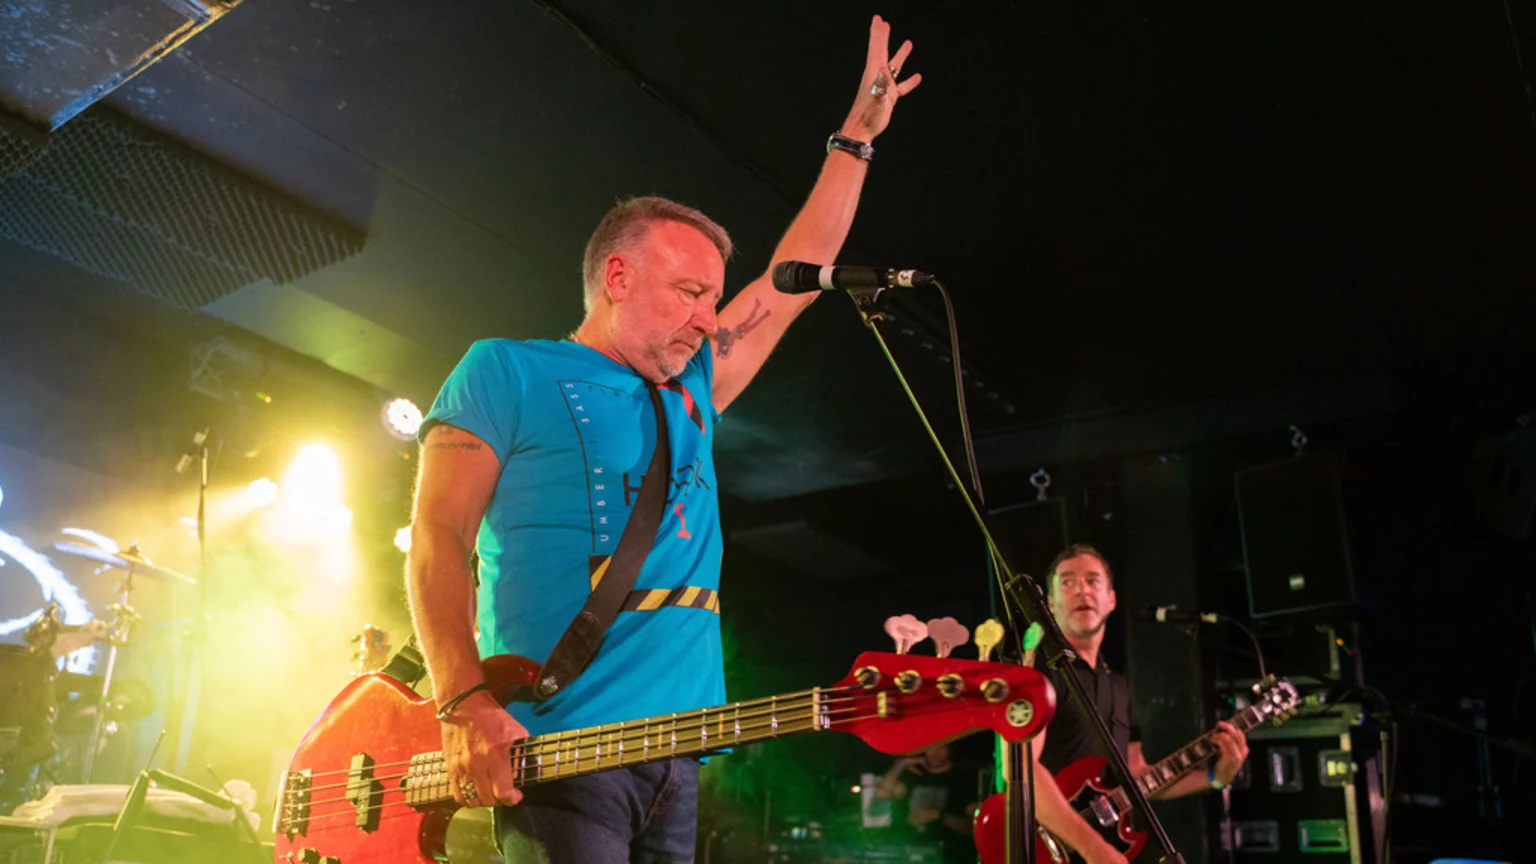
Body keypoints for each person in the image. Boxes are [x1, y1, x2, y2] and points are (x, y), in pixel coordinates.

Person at [404, 15, 922, 864]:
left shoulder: (692, 387)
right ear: (616, 277)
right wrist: (462, 704)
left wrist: (854, 143)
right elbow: (438, 536)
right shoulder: (504, 371)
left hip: (674, 758)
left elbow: (793, 280)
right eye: (688, 291)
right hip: (554, 753)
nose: (706, 317)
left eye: (712, 298)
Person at [1030, 544, 1250, 864]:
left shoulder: (1117, 686)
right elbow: (1022, 772)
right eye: (1067, 582)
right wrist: (1093, 847)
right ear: (1050, 604)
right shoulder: (1038, 673)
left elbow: (1139, 779)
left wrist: (1215, 777)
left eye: (1093, 581)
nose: (1082, 590)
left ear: (1111, 600)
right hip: (1046, 848)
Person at [874, 743, 981, 864]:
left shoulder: (962, 778)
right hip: (907, 852)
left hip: (949, 855)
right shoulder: (913, 774)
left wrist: (938, 815)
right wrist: (902, 763)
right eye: (930, 748)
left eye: (941, 748)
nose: (935, 753)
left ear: (950, 750)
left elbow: (970, 827)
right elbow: (881, 793)